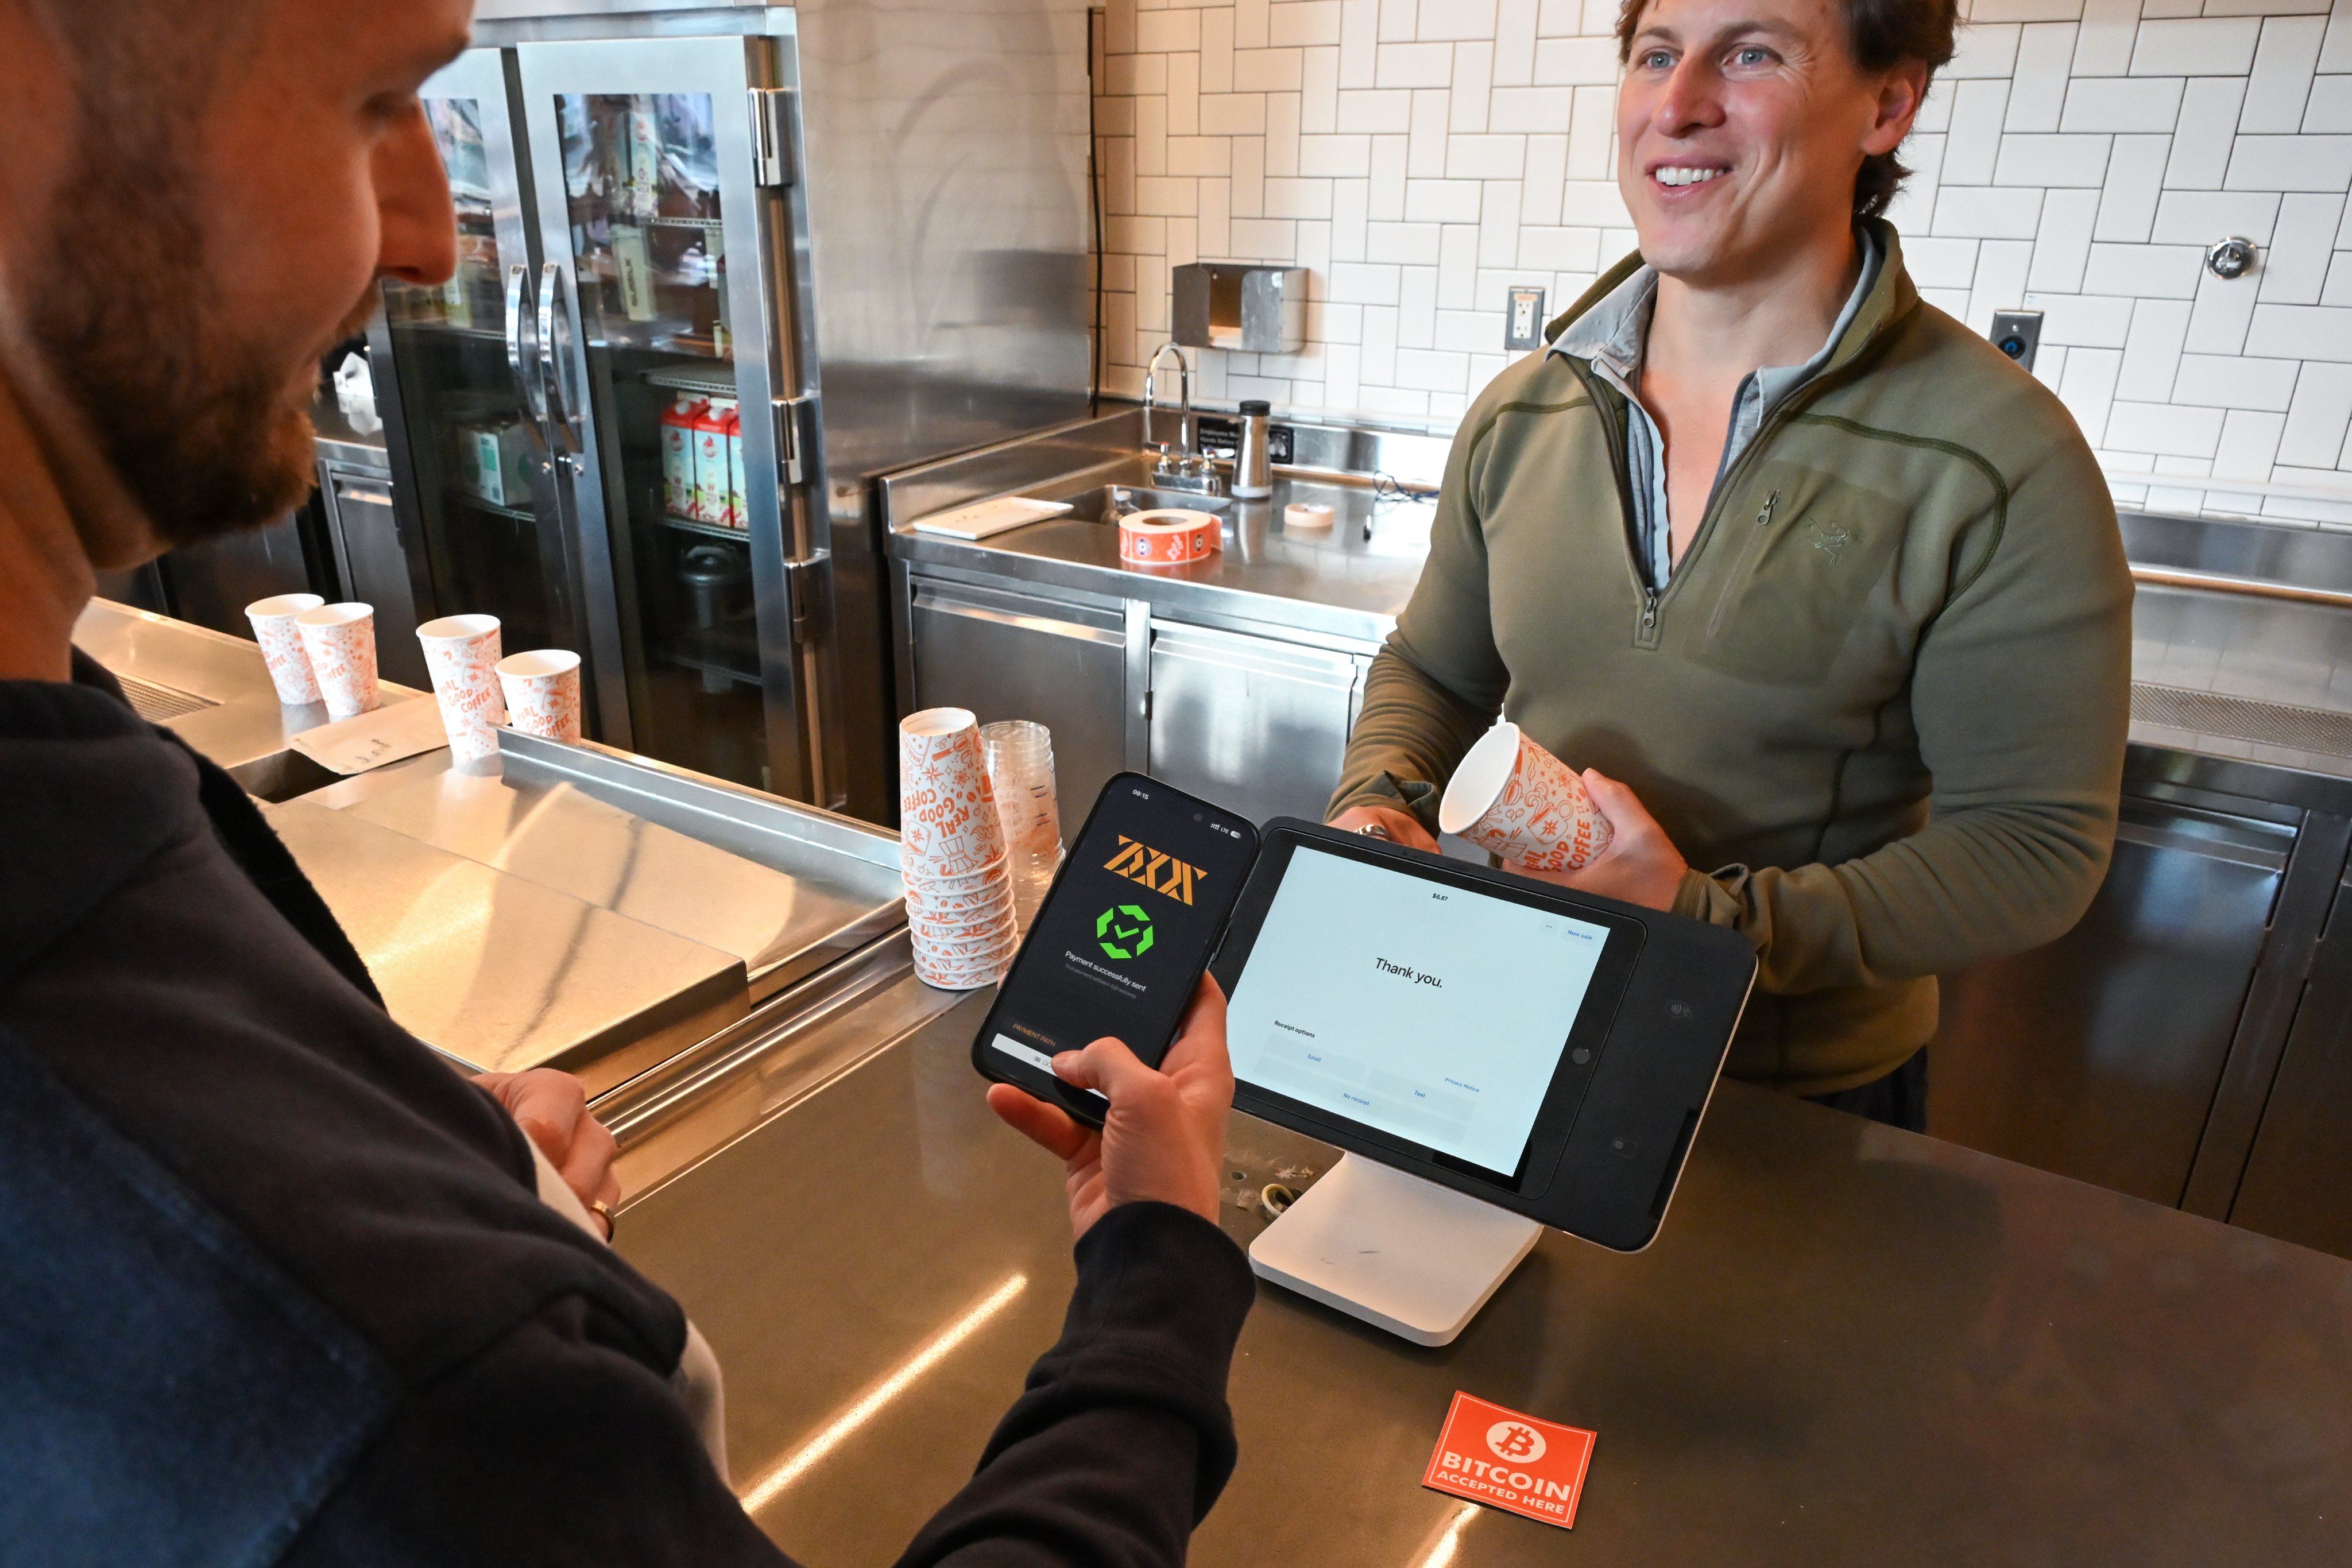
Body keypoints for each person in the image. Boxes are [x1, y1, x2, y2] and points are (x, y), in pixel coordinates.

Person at [0, 1, 1253, 1562]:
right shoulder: (396, 1374)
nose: (427, 240)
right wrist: (1160, 1274)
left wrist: (429, 1153)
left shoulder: (85, 772)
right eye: (369, 102)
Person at [1329, 0, 2133, 1130]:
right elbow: (1432, 671)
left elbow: (2030, 849)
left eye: (1747, 54)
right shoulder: (1525, 413)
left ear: (1886, 102)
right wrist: (1375, 802)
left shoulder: (1994, 457)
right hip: (1505, 1023)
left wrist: (1702, 919)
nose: (1675, 105)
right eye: (1655, 54)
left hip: (1787, 1099)